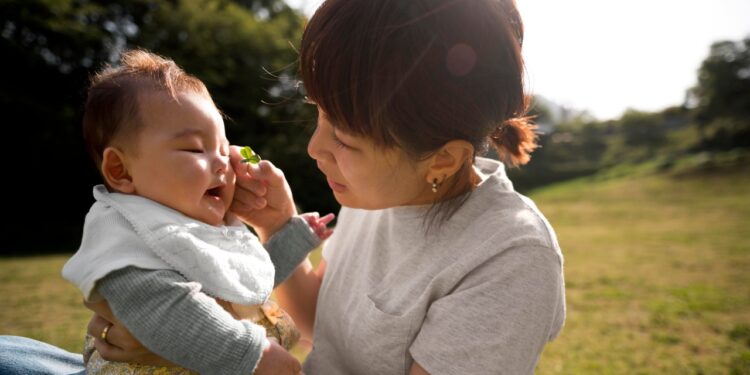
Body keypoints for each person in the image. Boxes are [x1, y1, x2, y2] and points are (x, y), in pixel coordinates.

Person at [0, 0, 565, 373]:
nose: (315, 149)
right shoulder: (386, 189)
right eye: (319, 113)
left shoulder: (510, 260)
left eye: (345, 139)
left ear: (442, 159)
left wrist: (198, 352)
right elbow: (332, 326)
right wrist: (275, 227)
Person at [64, 49, 331, 375]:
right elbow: (163, 310)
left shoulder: (195, 224)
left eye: (223, 148)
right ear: (121, 170)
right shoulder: (124, 232)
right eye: (194, 148)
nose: (222, 162)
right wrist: (255, 355)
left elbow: (239, 281)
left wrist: (291, 238)